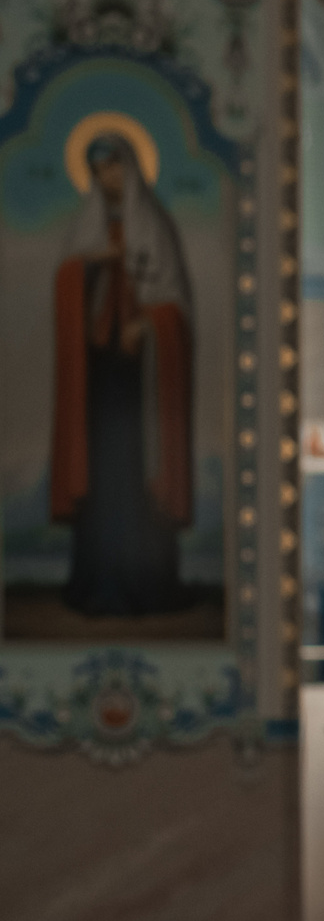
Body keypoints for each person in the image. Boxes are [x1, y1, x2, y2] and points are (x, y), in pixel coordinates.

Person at [49, 131, 194, 617]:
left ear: (130, 168)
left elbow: (173, 303)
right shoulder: (87, 227)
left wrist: (145, 324)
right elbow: (67, 283)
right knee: (100, 474)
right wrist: (93, 264)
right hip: (98, 371)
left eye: (113, 165)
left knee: (134, 473)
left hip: (139, 376)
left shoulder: (152, 226)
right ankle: (96, 584)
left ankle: (142, 586)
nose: (106, 176)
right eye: (97, 168)